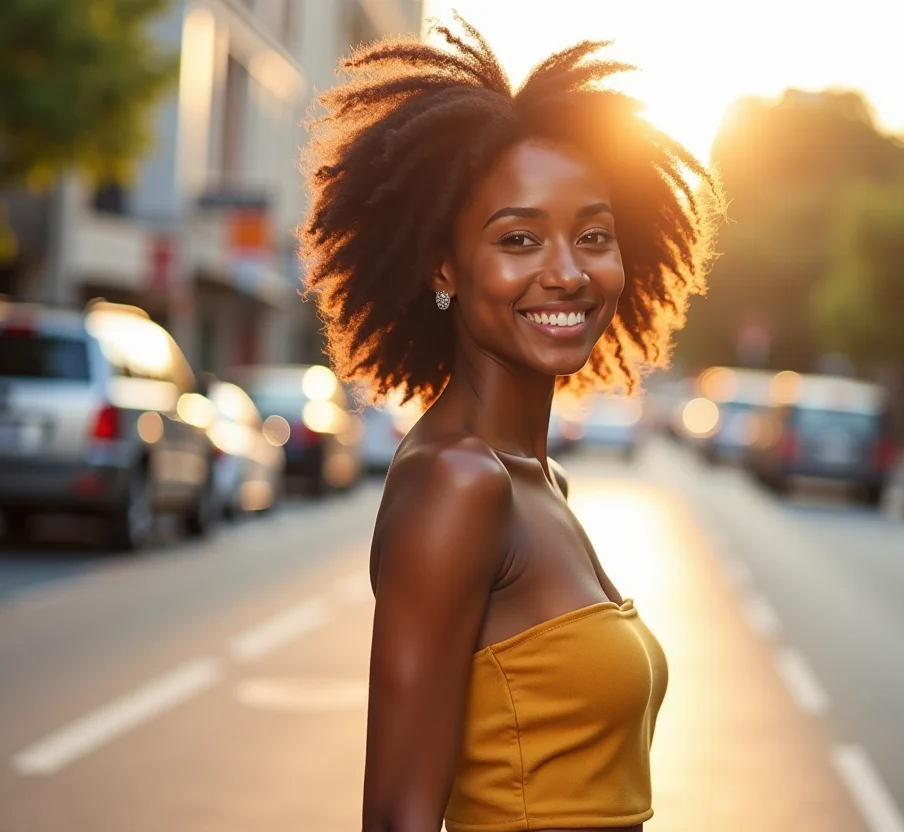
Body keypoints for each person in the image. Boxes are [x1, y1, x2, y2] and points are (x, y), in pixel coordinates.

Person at [299, 16, 716, 832]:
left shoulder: (537, 479)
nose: (566, 272)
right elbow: (396, 821)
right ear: (445, 265)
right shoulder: (460, 483)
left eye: (593, 236)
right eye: (519, 239)